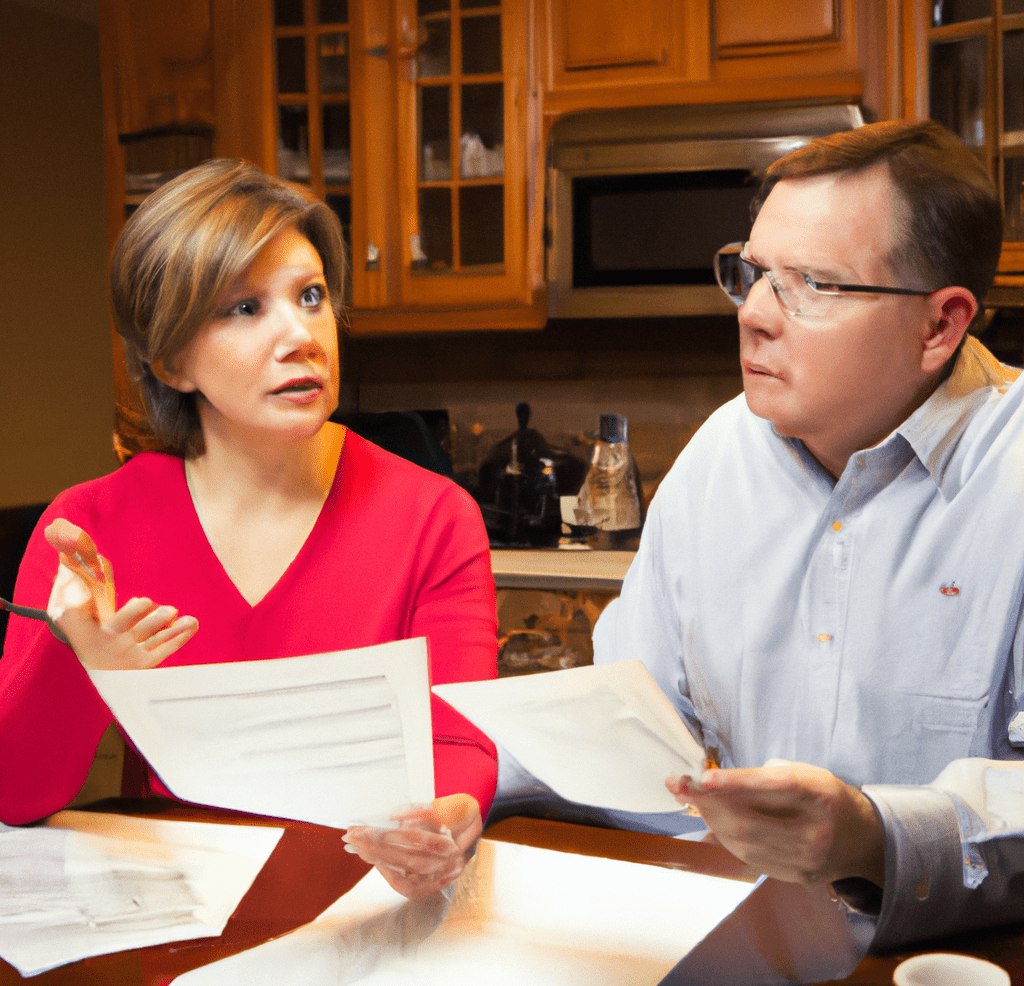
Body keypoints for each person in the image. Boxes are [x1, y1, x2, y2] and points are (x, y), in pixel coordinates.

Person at [0, 158, 498, 899]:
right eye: (243, 308)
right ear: (170, 362)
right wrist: (80, 664)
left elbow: (457, 741)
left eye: (311, 295)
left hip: (364, 906)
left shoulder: (434, 517)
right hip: (175, 914)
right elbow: (17, 794)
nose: (301, 335)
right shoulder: (88, 531)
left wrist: (447, 819)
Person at [591, 119, 1024, 951]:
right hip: (738, 950)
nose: (753, 314)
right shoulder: (721, 452)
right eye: (751, 274)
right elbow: (625, 720)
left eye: (811, 285)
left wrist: (871, 836)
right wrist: (470, 790)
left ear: (941, 325)